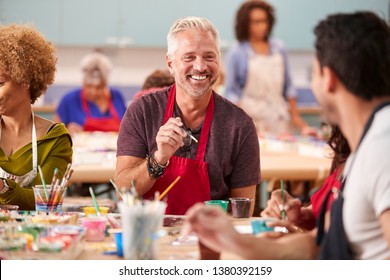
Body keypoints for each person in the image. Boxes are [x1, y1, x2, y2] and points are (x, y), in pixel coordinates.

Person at [183, 11, 390, 259]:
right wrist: (234, 240)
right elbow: (318, 244)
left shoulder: (382, 148)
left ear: (329, 79)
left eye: (312, 73)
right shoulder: (367, 148)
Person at [115, 17, 260, 215]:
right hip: (150, 236)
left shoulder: (239, 126)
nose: (200, 67)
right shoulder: (142, 112)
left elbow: (242, 213)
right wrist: (159, 159)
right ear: (171, 63)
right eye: (189, 57)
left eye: (209, 57)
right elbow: (123, 191)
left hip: (209, 239)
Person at [0, 24, 73, 210]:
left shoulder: (54, 139)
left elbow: (47, 202)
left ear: (25, 79)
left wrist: (3, 187)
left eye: (0, 83)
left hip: (33, 236)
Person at [225, 0, 316, 136]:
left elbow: (289, 87)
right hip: (251, 122)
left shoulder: (279, 49)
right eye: (256, 22)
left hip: (279, 121)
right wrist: (240, 124)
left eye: (265, 21)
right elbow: (231, 94)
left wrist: (297, 120)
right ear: (246, 24)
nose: (262, 26)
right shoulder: (237, 52)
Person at [261, 125, 350, 232]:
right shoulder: (346, 150)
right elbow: (322, 215)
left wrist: (299, 241)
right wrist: (299, 216)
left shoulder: (368, 157)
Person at [54, 52, 126, 135]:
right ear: (83, 81)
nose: (93, 92)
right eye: (89, 86)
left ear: (106, 83)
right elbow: (55, 134)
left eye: (99, 87)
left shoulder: (117, 97)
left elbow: (128, 130)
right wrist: (66, 131)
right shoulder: (69, 100)